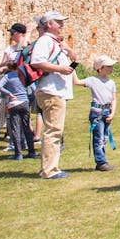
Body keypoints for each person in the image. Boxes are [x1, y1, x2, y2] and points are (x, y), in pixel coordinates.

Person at [29, 11, 77, 180]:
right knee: (53, 131)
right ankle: (49, 170)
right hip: (51, 91)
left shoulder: (55, 42)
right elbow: (36, 61)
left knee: (56, 130)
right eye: (58, 22)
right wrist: (60, 69)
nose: (61, 24)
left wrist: (69, 52)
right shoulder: (45, 41)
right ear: (49, 24)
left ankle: (51, 167)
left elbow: (70, 61)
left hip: (56, 91)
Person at [81, 56, 118, 171]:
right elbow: (77, 82)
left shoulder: (111, 82)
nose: (111, 68)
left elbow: (114, 99)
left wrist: (112, 113)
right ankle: (101, 162)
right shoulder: (92, 80)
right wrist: (71, 69)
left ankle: (102, 160)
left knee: (105, 137)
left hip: (107, 112)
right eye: (108, 66)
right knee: (99, 138)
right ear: (100, 68)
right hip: (97, 113)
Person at [0, 61, 33, 160]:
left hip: (14, 103)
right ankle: (31, 151)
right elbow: (32, 87)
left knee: (15, 128)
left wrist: (9, 93)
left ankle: (18, 154)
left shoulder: (8, 76)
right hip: (24, 102)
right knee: (27, 127)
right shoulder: (22, 75)